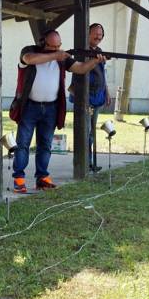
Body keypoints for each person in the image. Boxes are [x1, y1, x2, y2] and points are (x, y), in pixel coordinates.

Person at [9, 29, 106, 193]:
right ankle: (19, 178)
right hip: (29, 107)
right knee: (23, 144)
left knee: (45, 145)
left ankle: (42, 178)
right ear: (42, 43)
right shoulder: (30, 51)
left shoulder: (62, 58)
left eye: (58, 46)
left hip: (51, 108)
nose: (56, 49)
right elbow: (29, 59)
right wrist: (56, 55)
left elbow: (81, 68)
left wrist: (95, 62)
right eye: (52, 46)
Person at [68, 23, 111, 168]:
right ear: (88, 34)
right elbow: (79, 71)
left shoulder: (98, 51)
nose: (98, 37)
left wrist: (107, 92)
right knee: (84, 132)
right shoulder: (82, 52)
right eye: (95, 33)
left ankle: (90, 163)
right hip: (84, 98)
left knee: (91, 132)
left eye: (101, 34)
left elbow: (102, 74)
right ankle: (83, 163)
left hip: (97, 97)